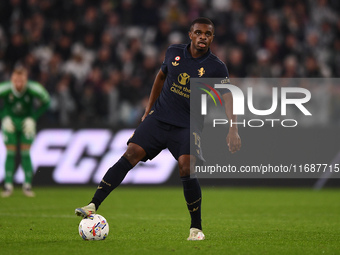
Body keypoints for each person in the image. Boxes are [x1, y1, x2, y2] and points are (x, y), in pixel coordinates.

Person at [75, 17, 241, 240]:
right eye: (199, 33)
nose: (203, 37)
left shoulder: (216, 67)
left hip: (188, 124)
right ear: (190, 35)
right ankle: (93, 204)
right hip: (159, 118)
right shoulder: (173, 52)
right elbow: (161, 76)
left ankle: (196, 228)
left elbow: (228, 96)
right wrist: (148, 109)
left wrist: (233, 128)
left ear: (212, 38)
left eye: (208, 34)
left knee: (186, 167)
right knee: (130, 154)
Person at [0, 67, 50, 197]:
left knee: (25, 153)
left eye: (21, 79)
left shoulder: (33, 88)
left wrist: (33, 118)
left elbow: (46, 101)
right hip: (10, 122)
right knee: (10, 153)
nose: (18, 83)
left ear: (26, 80)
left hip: (25, 123)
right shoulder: (5, 88)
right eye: (16, 79)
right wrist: (3, 117)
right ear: (11, 79)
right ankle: (8, 186)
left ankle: (27, 185)